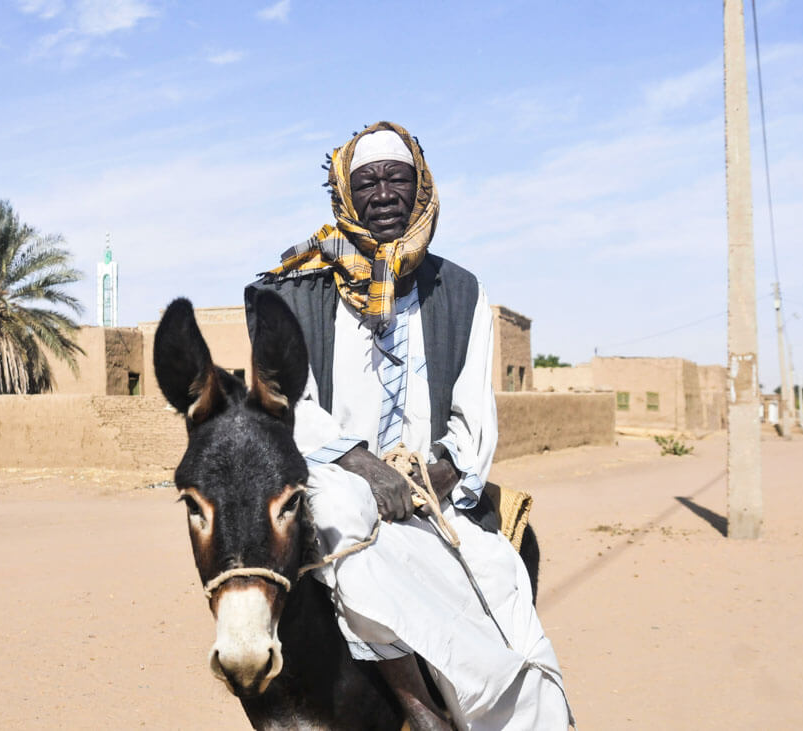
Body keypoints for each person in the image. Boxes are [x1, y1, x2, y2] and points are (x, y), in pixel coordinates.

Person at [245, 121, 572, 730]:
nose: (384, 193)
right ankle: (420, 709)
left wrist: (440, 472)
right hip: (335, 470)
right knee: (342, 519)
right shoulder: (295, 293)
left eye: (398, 178)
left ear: (421, 188)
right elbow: (286, 401)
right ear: (345, 195)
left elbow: (475, 413)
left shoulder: (461, 291)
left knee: (500, 582)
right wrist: (366, 467)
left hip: (430, 486)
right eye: (366, 182)